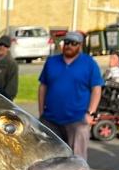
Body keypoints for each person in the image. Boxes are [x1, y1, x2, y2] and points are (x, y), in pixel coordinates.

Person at [38, 31, 102, 162]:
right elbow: (43, 86)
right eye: (67, 42)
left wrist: (90, 113)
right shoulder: (51, 62)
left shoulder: (89, 63)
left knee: (76, 160)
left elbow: (96, 89)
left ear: (80, 45)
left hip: (77, 120)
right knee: (50, 158)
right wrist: (41, 112)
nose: (69, 46)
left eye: (73, 43)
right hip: (51, 119)